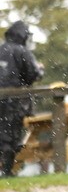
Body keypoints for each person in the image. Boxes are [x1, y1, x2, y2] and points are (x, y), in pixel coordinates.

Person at [0, 21, 43, 177]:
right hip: (15, 102)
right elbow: (32, 75)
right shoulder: (21, 51)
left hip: (2, 100)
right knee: (11, 136)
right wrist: (40, 69)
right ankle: (7, 171)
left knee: (3, 134)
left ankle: (7, 170)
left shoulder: (1, 48)